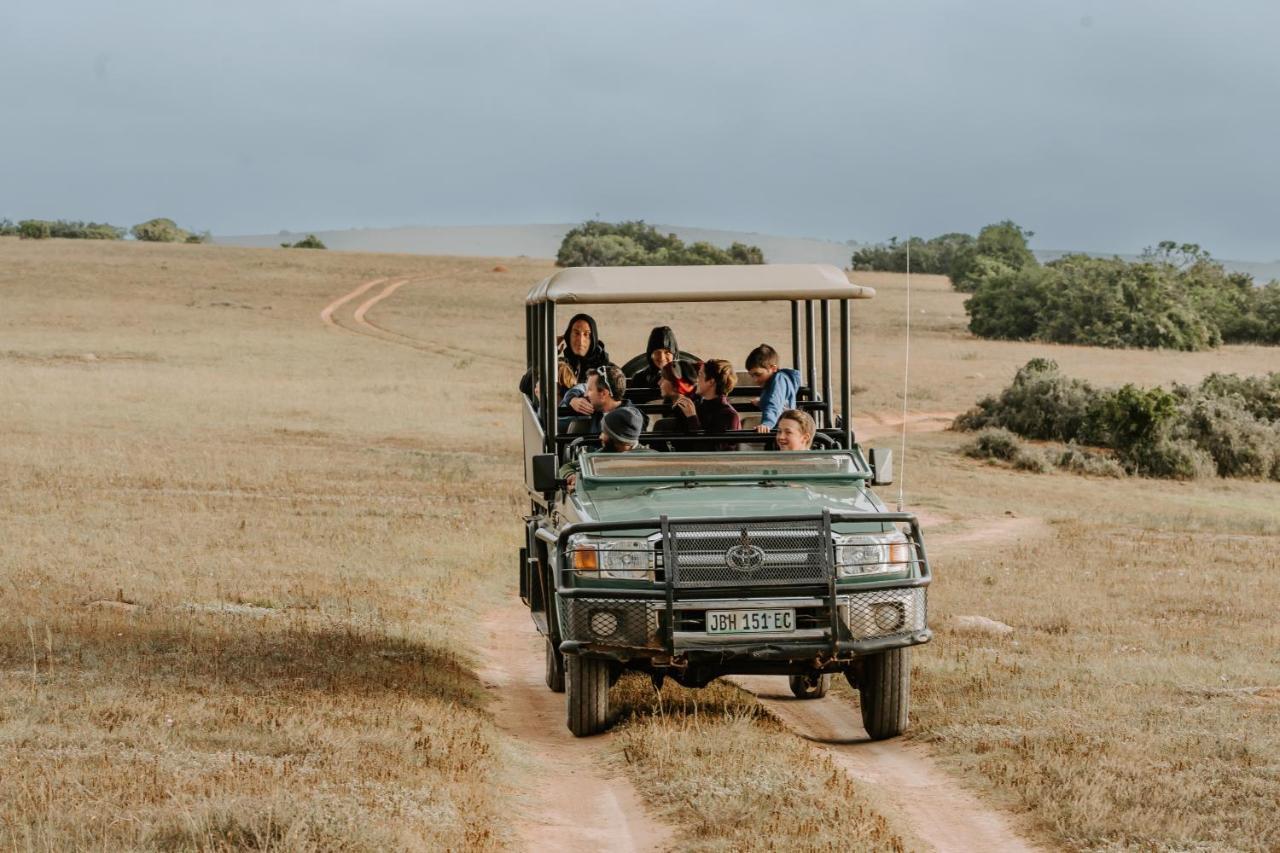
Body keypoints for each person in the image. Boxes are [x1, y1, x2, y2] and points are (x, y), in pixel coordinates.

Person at [560, 406, 649, 490]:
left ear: (617, 438)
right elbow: (567, 467)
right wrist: (571, 476)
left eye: (604, 432)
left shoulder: (652, 460)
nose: (600, 437)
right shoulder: (600, 456)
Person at [671, 359, 741, 451]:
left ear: (711, 382)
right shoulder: (698, 405)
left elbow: (711, 452)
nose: (697, 380)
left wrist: (692, 418)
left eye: (700, 375)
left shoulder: (729, 415)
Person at [746, 344, 802, 434]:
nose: (755, 380)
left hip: (780, 430)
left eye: (758, 374)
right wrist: (761, 402)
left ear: (773, 368)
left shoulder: (778, 380)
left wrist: (767, 424)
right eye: (752, 375)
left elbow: (774, 403)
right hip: (780, 429)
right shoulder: (775, 381)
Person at [560, 364, 631, 430]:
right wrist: (572, 399)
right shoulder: (595, 406)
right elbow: (577, 389)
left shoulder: (630, 422)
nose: (585, 394)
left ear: (603, 394)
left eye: (590, 389)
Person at [560, 313, 611, 385]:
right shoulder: (559, 367)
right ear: (568, 336)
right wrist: (550, 352)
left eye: (586, 334)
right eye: (576, 333)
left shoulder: (609, 372)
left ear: (593, 338)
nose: (580, 340)